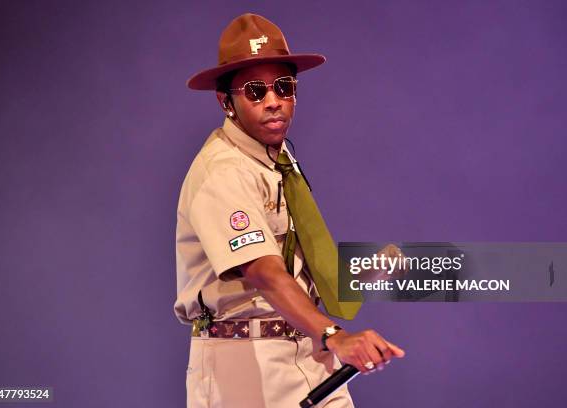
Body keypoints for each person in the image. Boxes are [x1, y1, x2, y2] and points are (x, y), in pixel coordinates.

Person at [174, 13, 405, 407]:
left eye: (284, 87)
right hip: (244, 364)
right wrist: (335, 336)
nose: (273, 102)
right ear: (225, 101)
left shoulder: (278, 160)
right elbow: (262, 271)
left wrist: (362, 274)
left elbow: (293, 260)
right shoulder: (223, 170)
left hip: (309, 352)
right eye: (255, 91)